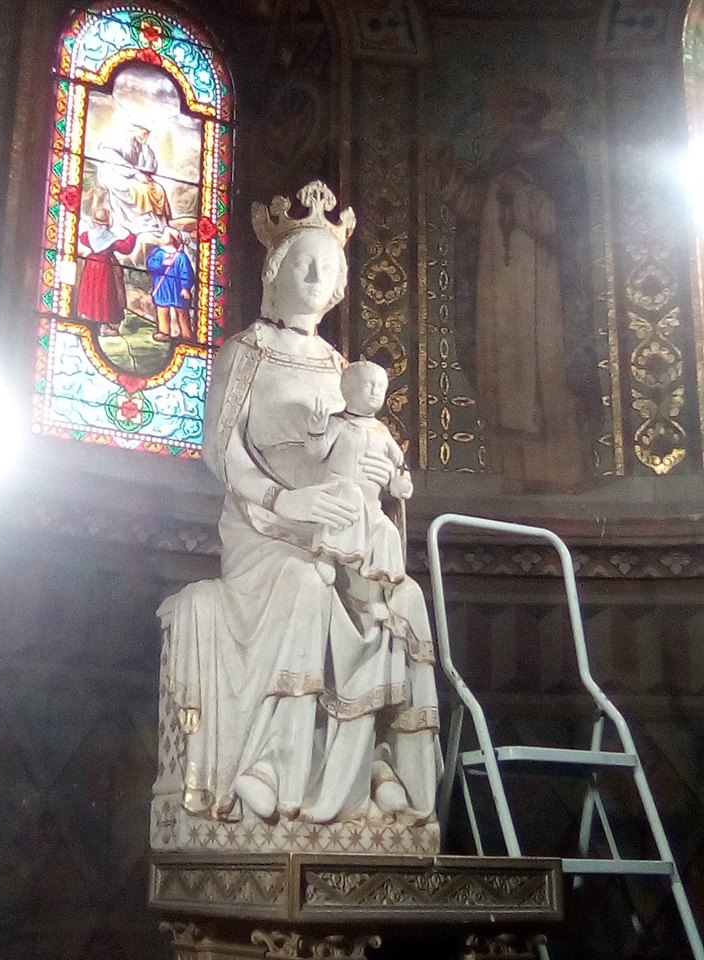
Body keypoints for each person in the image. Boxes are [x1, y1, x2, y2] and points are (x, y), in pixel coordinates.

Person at [157, 181, 441, 831]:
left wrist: (381, 478)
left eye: (329, 265)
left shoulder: (344, 367)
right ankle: (271, 769)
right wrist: (292, 498)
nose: (316, 274)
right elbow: (221, 453)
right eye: (303, 262)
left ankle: (374, 768)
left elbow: (367, 445)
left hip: (339, 526)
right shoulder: (244, 352)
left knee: (402, 599)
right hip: (266, 529)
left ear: (340, 282)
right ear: (276, 272)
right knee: (303, 581)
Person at [439, 82, 601, 494]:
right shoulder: (502, 157)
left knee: (550, 373)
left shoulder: (560, 156)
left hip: (545, 289)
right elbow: (477, 206)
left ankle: (566, 471)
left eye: (526, 106)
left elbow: (568, 224)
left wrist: (525, 197)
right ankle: (519, 471)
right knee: (507, 372)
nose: (518, 115)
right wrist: (450, 179)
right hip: (498, 288)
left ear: (541, 110)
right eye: (512, 107)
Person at [305, 360, 412, 590]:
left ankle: (378, 588)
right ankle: (328, 554)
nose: (375, 392)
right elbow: (316, 454)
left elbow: (400, 465)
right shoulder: (338, 424)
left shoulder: (382, 432)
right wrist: (315, 430)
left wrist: (400, 482)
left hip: (371, 506)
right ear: (347, 389)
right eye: (368, 385)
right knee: (349, 495)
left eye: (380, 387)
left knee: (387, 531)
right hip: (339, 494)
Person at [97, 124, 171, 236]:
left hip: (135, 175)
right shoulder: (118, 138)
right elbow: (110, 156)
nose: (145, 137)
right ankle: (144, 224)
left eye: (147, 134)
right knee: (140, 190)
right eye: (144, 133)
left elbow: (150, 168)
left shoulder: (141, 145)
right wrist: (135, 173)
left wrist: (145, 148)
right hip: (115, 174)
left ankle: (158, 223)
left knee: (158, 189)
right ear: (136, 129)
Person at [76, 208, 135, 336]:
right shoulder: (110, 239)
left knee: (92, 292)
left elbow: (82, 238)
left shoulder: (88, 235)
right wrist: (132, 235)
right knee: (105, 295)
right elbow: (125, 247)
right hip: (106, 268)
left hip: (91, 266)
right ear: (109, 222)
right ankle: (104, 326)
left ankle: (90, 321)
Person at [146, 228, 195, 341]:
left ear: (172, 239)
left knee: (181, 311)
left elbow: (186, 272)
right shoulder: (159, 253)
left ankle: (186, 334)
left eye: (166, 235)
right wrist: (162, 263)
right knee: (162, 309)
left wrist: (185, 287)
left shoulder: (180, 257)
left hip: (177, 288)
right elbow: (150, 264)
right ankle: (164, 332)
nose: (163, 237)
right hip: (162, 287)